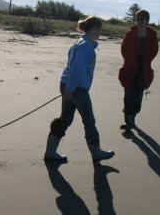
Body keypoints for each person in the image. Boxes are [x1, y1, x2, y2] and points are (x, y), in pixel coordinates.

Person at [44, 16, 115, 163]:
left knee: (65, 119)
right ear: (94, 28)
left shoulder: (79, 43)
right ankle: (96, 153)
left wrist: (67, 87)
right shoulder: (86, 46)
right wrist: (70, 89)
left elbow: (71, 67)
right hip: (77, 88)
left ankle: (50, 152)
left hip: (68, 85)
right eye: (100, 30)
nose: (100, 33)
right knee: (89, 121)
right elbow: (77, 69)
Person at [118, 10, 158, 131]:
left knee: (138, 96)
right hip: (130, 68)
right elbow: (124, 50)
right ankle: (128, 122)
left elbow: (154, 51)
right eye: (138, 19)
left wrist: (144, 59)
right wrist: (133, 59)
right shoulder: (130, 34)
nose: (139, 21)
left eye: (142, 19)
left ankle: (133, 118)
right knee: (128, 95)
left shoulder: (152, 36)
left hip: (143, 70)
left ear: (147, 21)